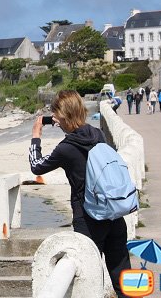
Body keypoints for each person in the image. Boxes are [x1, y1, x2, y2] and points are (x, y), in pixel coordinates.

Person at [28, 90, 131, 296]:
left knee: (87, 279)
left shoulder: (66, 148)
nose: (55, 120)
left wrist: (36, 136)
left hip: (89, 219)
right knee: (123, 278)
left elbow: (36, 166)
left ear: (65, 115)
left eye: (56, 116)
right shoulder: (98, 134)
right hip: (114, 213)